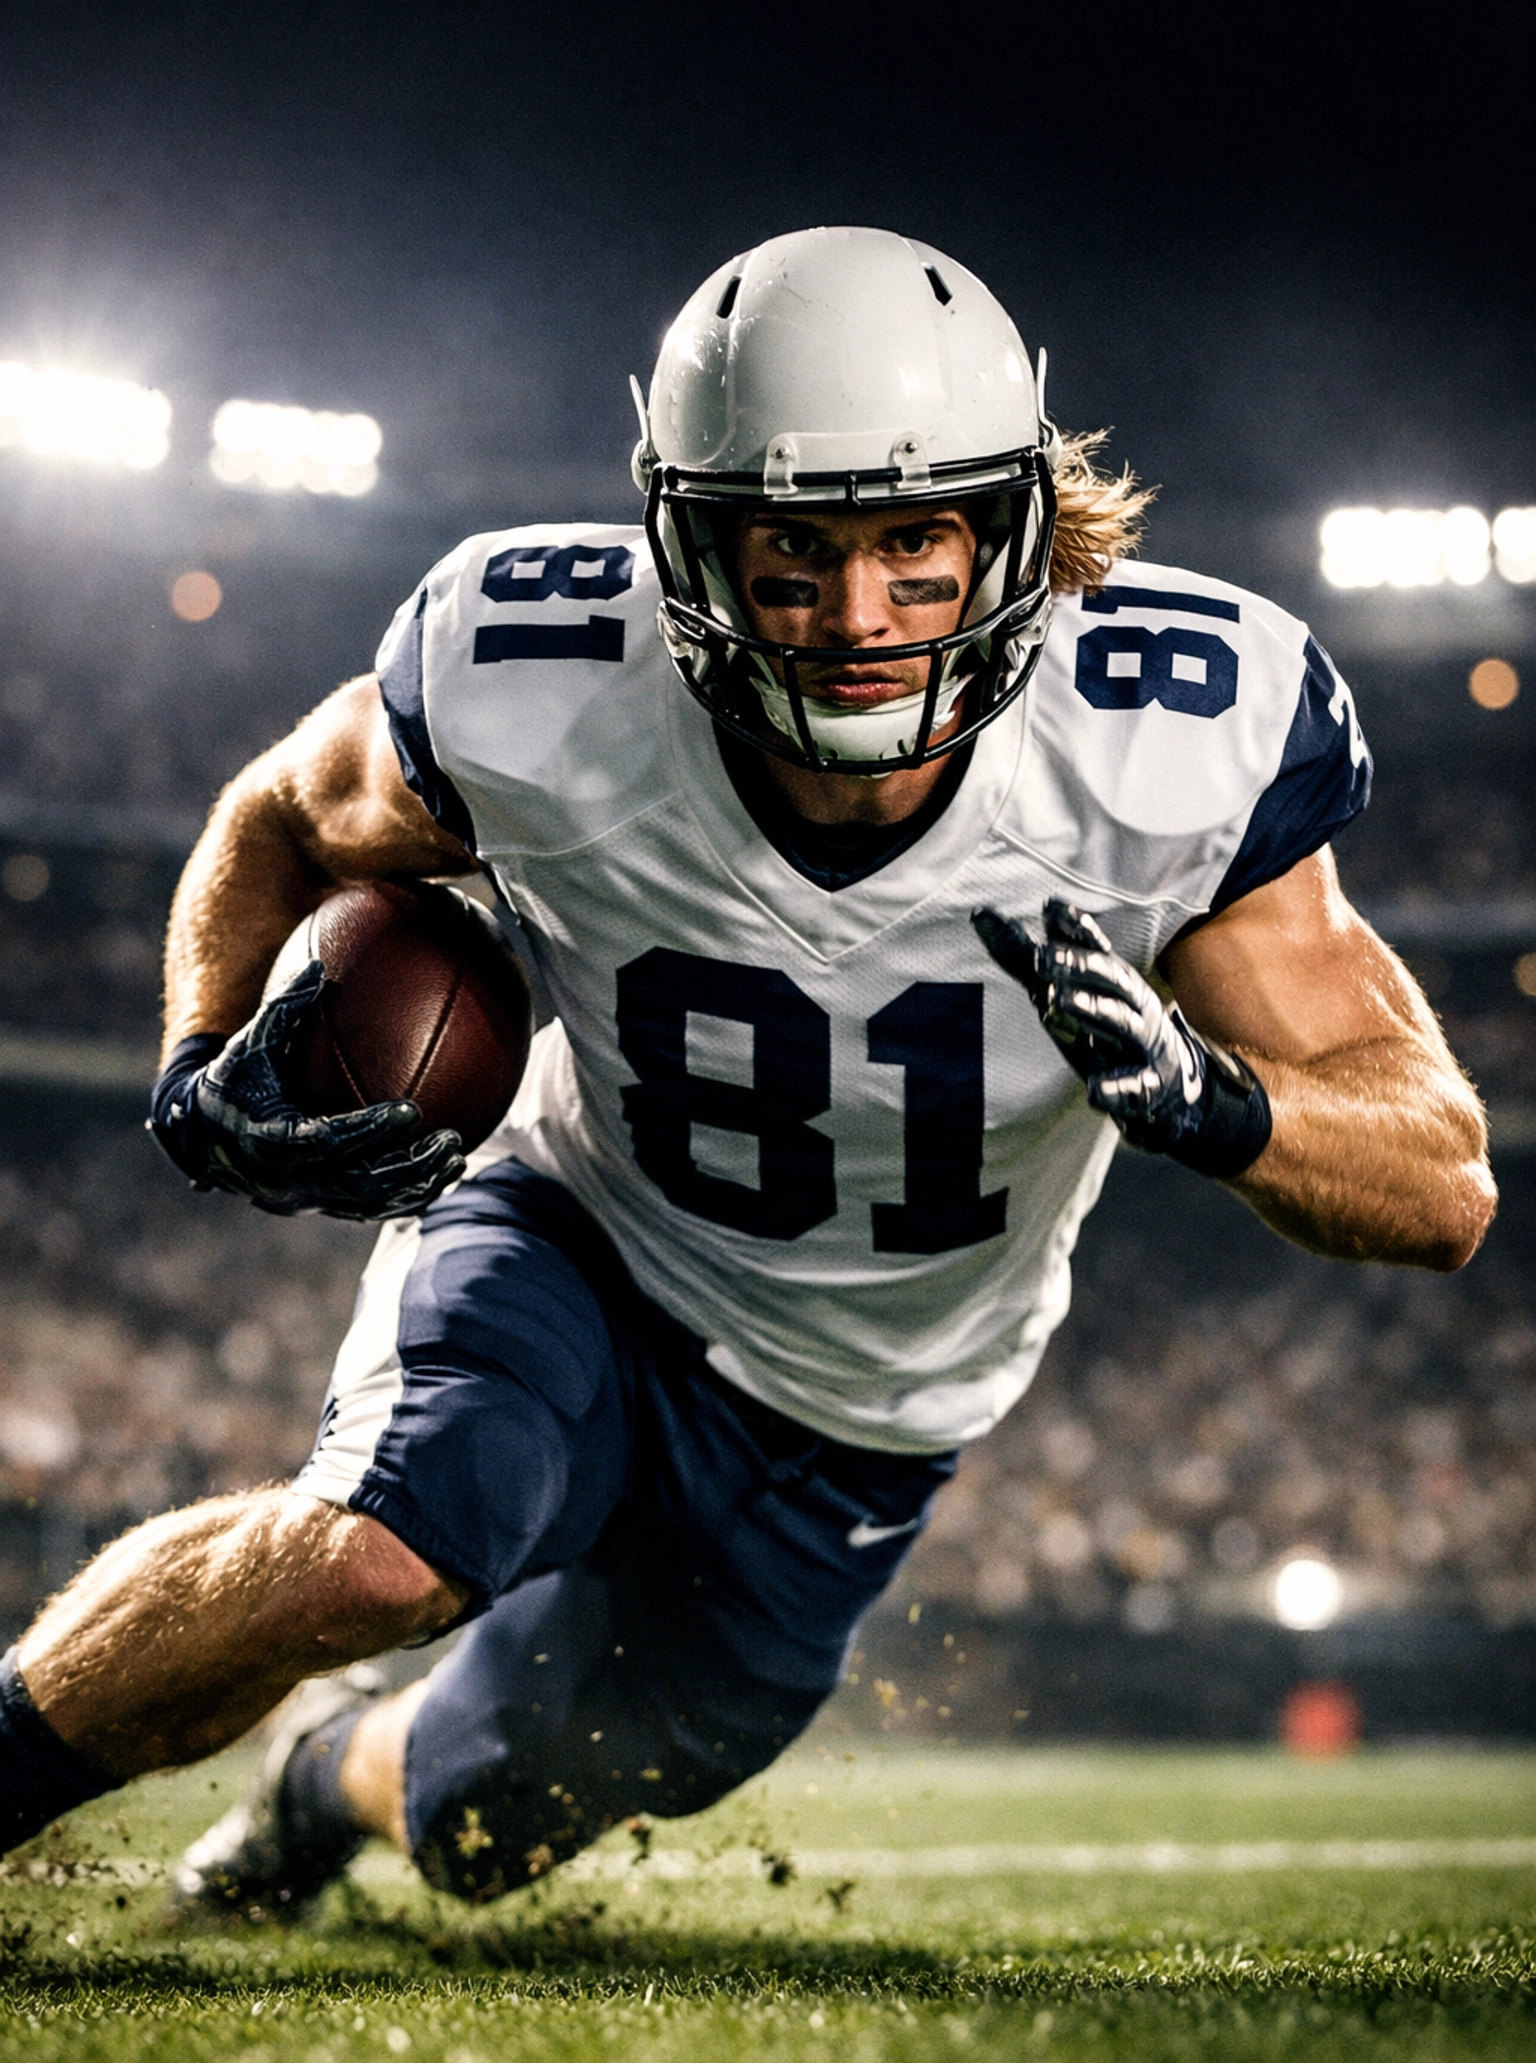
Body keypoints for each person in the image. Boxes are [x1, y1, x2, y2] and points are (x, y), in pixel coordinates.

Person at [0, 227, 1494, 1908]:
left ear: (1015, 530)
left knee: (487, 1823)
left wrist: (1227, 1107)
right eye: (795, 549)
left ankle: (323, 1782)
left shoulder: (1165, 746)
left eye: (915, 542)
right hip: (581, 1236)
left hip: (870, 1405)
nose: (858, 618)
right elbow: (280, 812)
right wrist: (200, 1046)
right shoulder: (540, 682)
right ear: (689, 543)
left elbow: (1442, 1182)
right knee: (376, 1556)